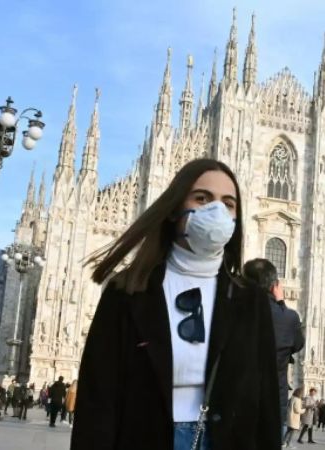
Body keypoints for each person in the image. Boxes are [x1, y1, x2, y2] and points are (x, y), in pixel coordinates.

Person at [71, 159, 280, 450]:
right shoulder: (128, 290)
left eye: (228, 203)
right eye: (202, 198)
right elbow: (98, 397)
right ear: (173, 208)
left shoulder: (250, 300)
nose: (216, 210)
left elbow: (266, 401)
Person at [242, 257, 305, 438]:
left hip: (238, 400)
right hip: (273, 401)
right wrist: (281, 304)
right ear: (274, 286)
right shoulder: (289, 318)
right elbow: (297, 344)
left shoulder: (232, 310)